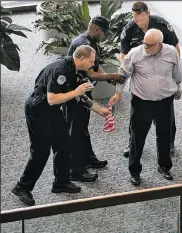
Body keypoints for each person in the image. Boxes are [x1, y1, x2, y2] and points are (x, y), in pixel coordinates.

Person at [12, 45, 110, 206]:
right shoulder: (60, 70)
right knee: (41, 151)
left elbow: (79, 94)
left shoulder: (75, 69)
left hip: (53, 110)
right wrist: (77, 92)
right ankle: (22, 187)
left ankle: (61, 182)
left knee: (64, 143)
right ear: (81, 59)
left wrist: (98, 109)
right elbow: (52, 98)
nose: (93, 65)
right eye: (91, 61)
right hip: (38, 110)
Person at [109, 29, 182, 186]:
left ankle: (164, 167)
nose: (146, 47)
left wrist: (178, 87)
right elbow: (122, 74)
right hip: (142, 102)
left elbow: (177, 73)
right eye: (144, 43)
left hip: (165, 102)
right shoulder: (135, 53)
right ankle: (135, 171)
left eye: (149, 45)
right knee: (137, 138)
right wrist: (117, 93)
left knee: (164, 135)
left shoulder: (171, 53)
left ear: (159, 44)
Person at [65, 16, 125, 182]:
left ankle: (88, 158)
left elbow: (96, 66)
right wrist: (113, 75)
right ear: (98, 29)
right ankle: (76, 170)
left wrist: (107, 77)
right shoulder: (82, 44)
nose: (105, 37)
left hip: (84, 89)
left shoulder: (90, 41)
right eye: (104, 33)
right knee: (75, 131)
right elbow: (90, 73)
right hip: (75, 94)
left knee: (82, 129)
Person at [120, 1, 181, 158]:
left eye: (140, 18)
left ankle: (169, 144)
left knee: (167, 119)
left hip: (163, 77)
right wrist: (128, 72)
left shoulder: (162, 25)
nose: (137, 21)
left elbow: (176, 49)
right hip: (141, 79)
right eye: (134, 18)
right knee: (136, 119)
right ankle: (131, 142)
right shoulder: (129, 29)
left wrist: (171, 76)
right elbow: (124, 54)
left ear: (148, 13)